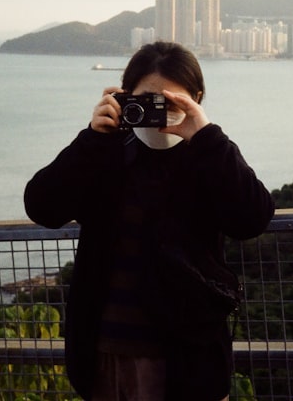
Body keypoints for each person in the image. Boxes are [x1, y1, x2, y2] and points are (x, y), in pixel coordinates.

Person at [25, 41, 274, 401]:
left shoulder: (207, 158)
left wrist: (208, 136)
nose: (158, 111)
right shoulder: (106, 154)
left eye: (172, 102)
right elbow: (42, 208)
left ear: (197, 99)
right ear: (124, 97)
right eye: (147, 100)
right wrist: (92, 138)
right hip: (107, 350)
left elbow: (252, 219)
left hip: (187, 356)